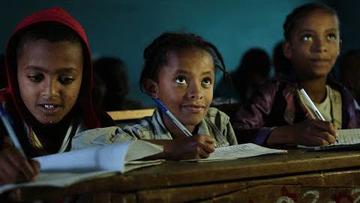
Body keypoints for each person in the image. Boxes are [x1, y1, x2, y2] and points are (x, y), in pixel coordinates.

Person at [72, 32, 238, 160]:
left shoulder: (217, 122)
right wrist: (171, 148)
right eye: (181, 80)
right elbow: (81, 145)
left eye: (206, 81)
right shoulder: (140, 135)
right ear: (153, 88)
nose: (197, 93)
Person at [0, 7, 114, 185]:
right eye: (36, 77)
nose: (50, 92)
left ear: (84, 78)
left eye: (66, 79)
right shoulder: (3, 120)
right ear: (14, 75)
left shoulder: (99, 125)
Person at [233, 3, 360, 147]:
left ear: (339, 47)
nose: (321, 47)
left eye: (330, 36)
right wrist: (290, 134)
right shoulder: (272, 92)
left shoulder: (344, 98)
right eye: (307, 37)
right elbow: (237, 133)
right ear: (288, 49)